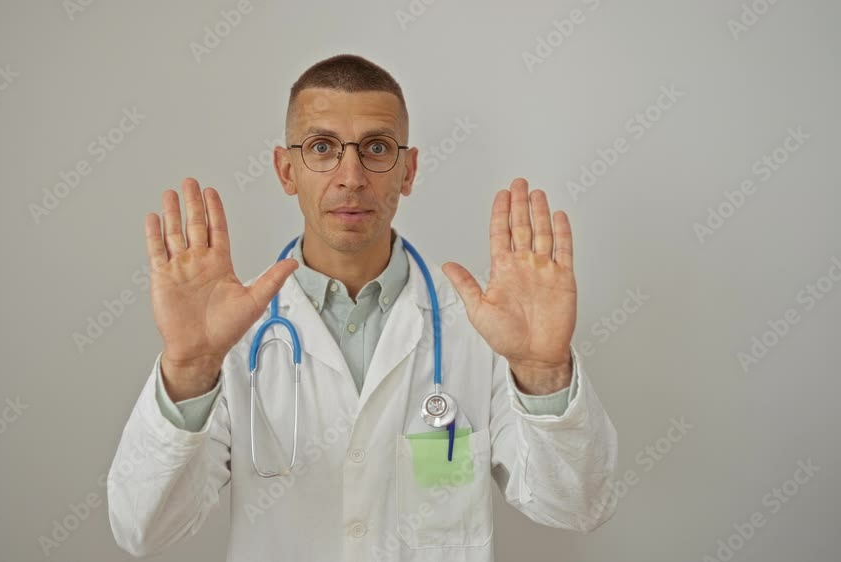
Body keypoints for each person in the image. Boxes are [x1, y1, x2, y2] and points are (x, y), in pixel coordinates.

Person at [107, 54, 618, 561]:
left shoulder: (481, 327)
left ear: (408, 171)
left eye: (376, 148)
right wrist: (190, 370)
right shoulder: (233, 336)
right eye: (322, 148)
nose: (350, 176)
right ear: (286, 170)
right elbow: (141, 529)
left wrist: (543, 372)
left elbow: (579, 507)